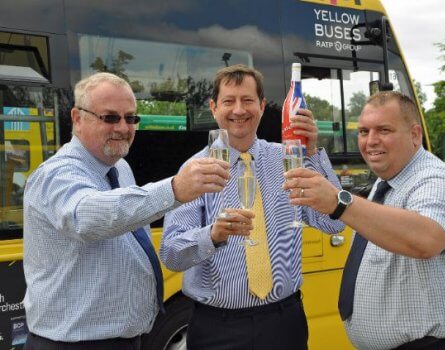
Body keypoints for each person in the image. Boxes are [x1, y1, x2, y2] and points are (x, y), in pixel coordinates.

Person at [23, 72, 230, 350]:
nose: (123, 127)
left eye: (131, 118)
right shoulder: (56, 174)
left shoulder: (119, 166)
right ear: (77, 118)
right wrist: (175, 189)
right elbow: (87, 218)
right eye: (110, 117)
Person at [283, 91, 445, 350]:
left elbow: (427, 239)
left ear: (415, 134)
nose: (371, 141)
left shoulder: (435, 181)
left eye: (383, 130)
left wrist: (339, 203)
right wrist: (311, 156)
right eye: (363, 132)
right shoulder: (389, 180)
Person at [160, 64, 345, 350]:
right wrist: (212, 235)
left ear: (261, 106)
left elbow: (333, 223)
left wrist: (311, 152)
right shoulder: (195, 171)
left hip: (284, 322)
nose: (238, 110)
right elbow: (172, 254)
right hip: (217, 327)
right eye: (228, 101)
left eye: (247, 100)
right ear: (213, 107)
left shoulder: (289, 159)